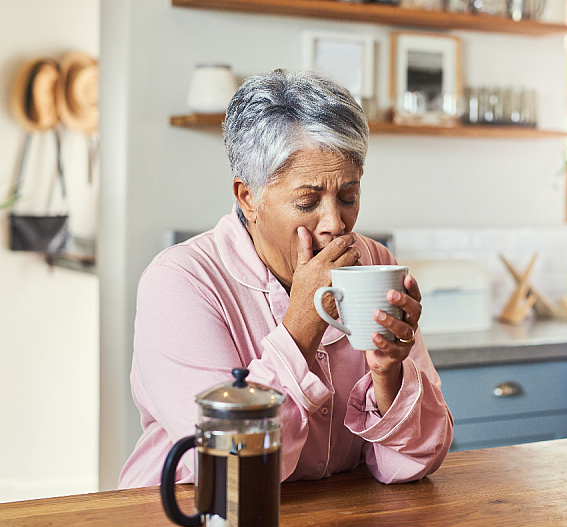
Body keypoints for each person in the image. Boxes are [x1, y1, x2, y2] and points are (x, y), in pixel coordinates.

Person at [119, 69, 454, 488]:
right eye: (307, 201)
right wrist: (300, 328)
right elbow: (230, 469)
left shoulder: (374, 263)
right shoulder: (179, 283)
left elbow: (417, 460)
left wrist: (389, 374)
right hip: (188, 512)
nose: (335, 223)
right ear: (248, 198)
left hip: (329, 515)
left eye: (348, 196)